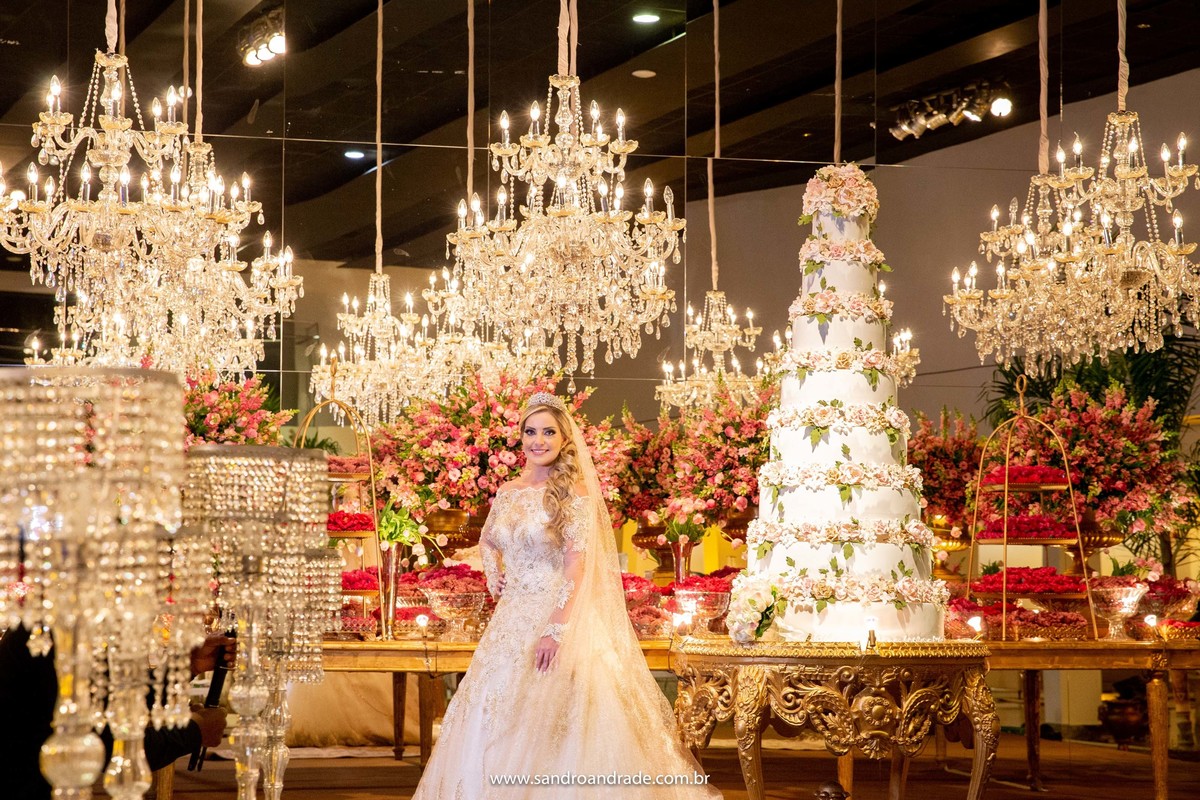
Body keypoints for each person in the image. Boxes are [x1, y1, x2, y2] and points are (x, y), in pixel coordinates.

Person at [412, 392, 721, 799]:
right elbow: (488, 540)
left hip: (560, 615)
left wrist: (556, 631)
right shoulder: (508, 491)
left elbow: (577, 567)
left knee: (564, 717)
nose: (537, 440)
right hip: (510, 621)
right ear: (520, 437)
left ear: (563, 439)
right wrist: (493, 575)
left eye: (548, 432)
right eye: (530, 431)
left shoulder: (574, 494)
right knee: (493, 708)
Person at [0, 623, 232, 800]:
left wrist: (186, 666)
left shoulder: (62, 627)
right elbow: (107, 745)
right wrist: (194, 732)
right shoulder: (48, 636)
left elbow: (111, 699)